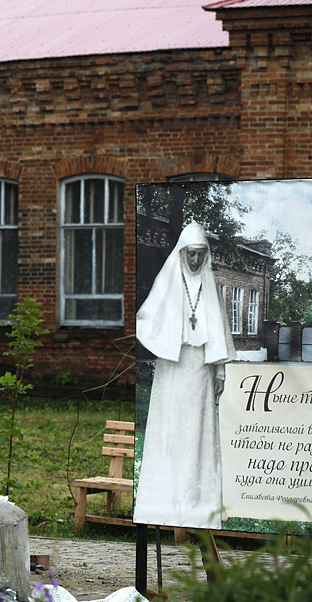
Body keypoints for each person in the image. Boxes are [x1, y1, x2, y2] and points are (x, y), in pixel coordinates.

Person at [134, 222, 234, 529]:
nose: (195, 259)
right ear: (181, 253)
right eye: (191, 253)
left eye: (201, 253)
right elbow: (147, 319)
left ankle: (194, 498)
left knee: (195, 433)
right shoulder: (168, 282)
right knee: (171, 431)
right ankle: (167, 496)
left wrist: (219, 370)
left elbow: (217, 332)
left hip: (199, 370)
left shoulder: (209, 286)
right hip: (172, 369)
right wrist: (164, 340)